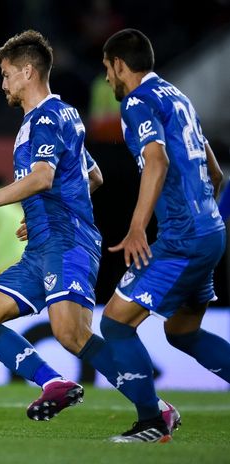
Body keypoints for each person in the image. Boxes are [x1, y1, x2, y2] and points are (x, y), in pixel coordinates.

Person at [0, 29, 120, 421]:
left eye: (7, 74)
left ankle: (154, 407)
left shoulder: (45, 117)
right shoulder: (61, 115)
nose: (3, 84)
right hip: (41, 245)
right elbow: (93, 176)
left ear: (27, 72)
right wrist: (43, 210)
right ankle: (54, 383)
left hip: (66, 242)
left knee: (71, 333)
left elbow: (43, 177)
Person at [98, 28, 229, 442]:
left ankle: (152, 422)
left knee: (115, 324)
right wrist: (203, 214)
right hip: (210, 231)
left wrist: (138, 226)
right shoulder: (177, 97)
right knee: (182, 332)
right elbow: (216, 173)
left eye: (107, 69)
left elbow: (156, 160)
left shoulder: (138, 101)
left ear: (120, 64)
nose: (107, 78)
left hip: (183, 239)